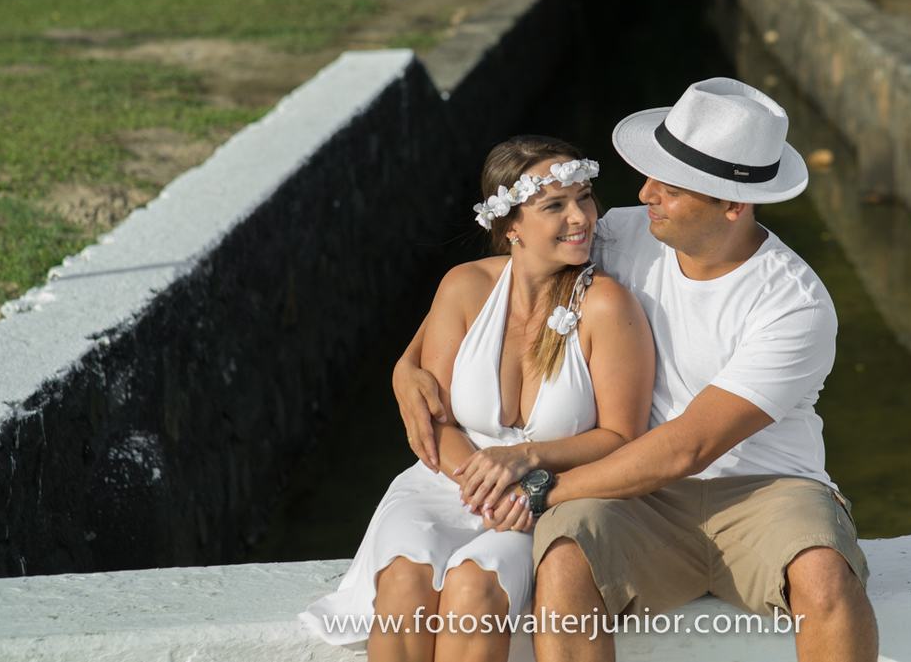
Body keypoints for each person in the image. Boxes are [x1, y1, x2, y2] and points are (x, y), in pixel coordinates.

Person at [395, 78, 880, 661]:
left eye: (669, 188)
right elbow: (506, 272)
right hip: (633, 498)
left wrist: (543, 490)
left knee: (827, 580)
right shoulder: (627, 235)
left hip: (767, 489)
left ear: (732, 204)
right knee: (565, 562)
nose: (645, 193)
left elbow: (689, 446)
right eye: (650, 176)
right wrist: (407, 364)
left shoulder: (793, 304)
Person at [300, 136, 655, 662]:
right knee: (403, 579)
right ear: (510, 225)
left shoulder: (608, 307)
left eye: (584, 197)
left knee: (474, 589)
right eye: (555, 205)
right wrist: (485, 482)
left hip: (543, 495)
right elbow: (435, 424)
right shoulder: (464, 287)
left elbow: (625, 437)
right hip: (449, 478)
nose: (581, 217)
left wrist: (522, 477)